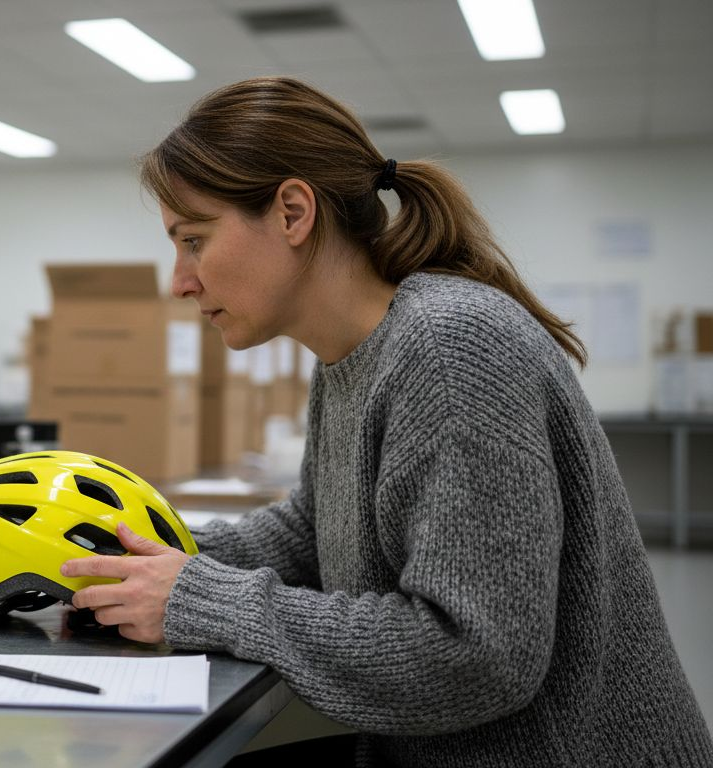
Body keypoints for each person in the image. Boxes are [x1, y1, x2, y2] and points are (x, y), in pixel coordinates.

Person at [60, 77, 713, 766]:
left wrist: (202, 598)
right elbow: (313, 532)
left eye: (193, 239)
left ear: (291, 212)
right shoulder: (351, 357)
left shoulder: (448, 348)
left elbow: (474, 654)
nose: (179, 280)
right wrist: (136, 552)